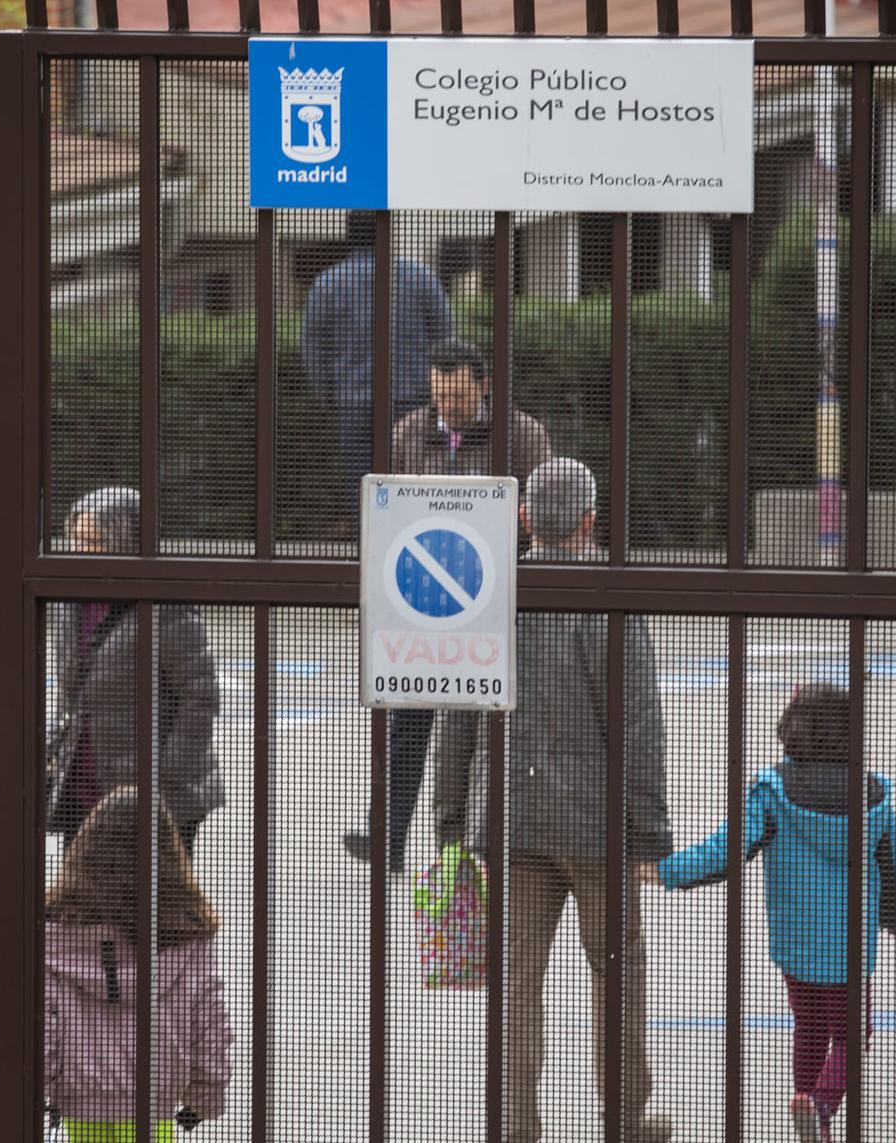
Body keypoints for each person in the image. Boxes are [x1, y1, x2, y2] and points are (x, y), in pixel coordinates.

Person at [432, 458, 673, 1143]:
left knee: (516, 983)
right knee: (617, 972)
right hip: (598, 827)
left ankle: (515, 1125)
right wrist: (649, 834)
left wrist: (452, 816)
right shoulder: (610, 597)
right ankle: (623, 1119)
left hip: (509, 819)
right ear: (591, 522)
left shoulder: (489, 594)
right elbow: (639, 729)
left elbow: (457, 713)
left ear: (524, 518)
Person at [659, 683, 896, 1143]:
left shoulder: (772, 789)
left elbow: (725, 852)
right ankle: (820, 1107)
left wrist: (666, 871)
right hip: (849, 945)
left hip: (797, 943)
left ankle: (805, 1102)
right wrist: (894, 916)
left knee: (809, 1024)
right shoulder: (873, 793)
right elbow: (892, 862)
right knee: (853, 1035)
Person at [344, 339, 554, 867]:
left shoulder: (521, 434)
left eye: (459, 395)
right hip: (425, 601)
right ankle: (387, 838)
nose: (448, 407)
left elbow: (545, 509)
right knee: (407, 723)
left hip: (494, 603)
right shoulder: (409, 432)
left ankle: (482, 845)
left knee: (486, 730)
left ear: (484, 387)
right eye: (439, 395)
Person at [45, 786, 231, 1141]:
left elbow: (46, 1020)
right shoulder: (185, 930)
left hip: (81, 1095)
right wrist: (205, 1095)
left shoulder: (58, 931)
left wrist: (47, 1085)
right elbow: (209, 1019)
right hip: (154, 1093)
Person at [48, 487, 222, 854]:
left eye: (93, 540)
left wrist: (162, 775)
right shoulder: (68, 600)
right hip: (84, 790)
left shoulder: (165, 607)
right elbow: (71, 694)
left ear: (124, 540)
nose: (79, 549)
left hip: (151, 794)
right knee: (84, 901)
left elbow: (201, 698)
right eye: (75, 538)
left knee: (152, 904)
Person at [300, 211, 454, 513]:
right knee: (414, 482)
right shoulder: (419, 277)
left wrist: (330, 396)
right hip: (415, 400)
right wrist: (439, 396)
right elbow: (446, 342)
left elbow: (313, 349)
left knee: (365, 488)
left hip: (354, 403)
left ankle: (368, 554)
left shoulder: (328, 283)